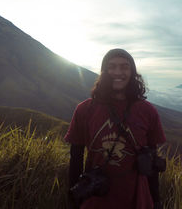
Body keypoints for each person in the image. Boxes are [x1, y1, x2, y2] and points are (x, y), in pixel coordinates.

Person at [64, 48, 166, 209]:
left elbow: (151, 161)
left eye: (124, 67)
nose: (118, 72)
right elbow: (75, 157)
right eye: (112, 66)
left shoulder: (147, 111)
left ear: (132, 72)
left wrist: (156, 201)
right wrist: (74, 197)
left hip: (137, 198)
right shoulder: (85, 110)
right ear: (104, 71)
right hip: (95, 197)